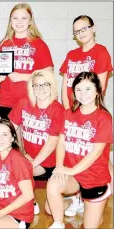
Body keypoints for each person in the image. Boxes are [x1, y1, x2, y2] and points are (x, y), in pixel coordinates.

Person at [46, 72, 112, 229]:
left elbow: (95, 153)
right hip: (74, 175)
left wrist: (71, 170)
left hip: (94, 177)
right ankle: (59, 222)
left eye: (88, 89)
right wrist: (60, 167)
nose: (83, 94)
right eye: (79, 89)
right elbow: (61, 142)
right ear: (74, 92)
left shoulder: (104, 118)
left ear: (98, 91)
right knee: (51, 199)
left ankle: (95, 209)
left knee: (90, 226)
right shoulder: (69, 113)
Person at [8, 69, 64, 215]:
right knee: (11, 167)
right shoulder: (24, 103)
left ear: (52, 86)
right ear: (31, 87)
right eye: (36, 85)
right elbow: (9, 129)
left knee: (50, 211)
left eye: (45, 84)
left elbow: (51, 144)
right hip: (29, 156)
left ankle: (68, 200)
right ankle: (29, 202)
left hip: (49, 161)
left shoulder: (58, 110)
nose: (40, 89)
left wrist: (30, 165)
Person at [0, 3, 53, 120]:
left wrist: (23, 76)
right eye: (15, 18)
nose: (19, 21)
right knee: (10, 137)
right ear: (10, 21)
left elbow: (49, 73)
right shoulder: (3, 44)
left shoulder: (39, 44)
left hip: (30, 99)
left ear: (30, 21)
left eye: (24, 18)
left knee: (26, 137)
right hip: (6, 100)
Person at [60, 15, 113, 110]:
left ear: (93, 28)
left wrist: (85, 112)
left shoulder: (101, 52)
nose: (80, 33)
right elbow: (64, 87)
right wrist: (67, 109)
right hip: (70, 109)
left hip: (90, 109)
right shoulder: (71, 55)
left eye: (84, 29)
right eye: (76, 31)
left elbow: (100, 87)